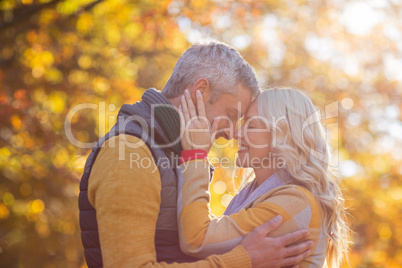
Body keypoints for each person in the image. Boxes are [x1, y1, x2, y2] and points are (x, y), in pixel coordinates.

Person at [78, 41, 314, 268]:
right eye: (231, 115)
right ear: (200, 91)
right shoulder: (130, 151)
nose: (232, 133)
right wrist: (244, 261)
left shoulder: (174, 155)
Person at [177, 88, 350, 267]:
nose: (237, 134)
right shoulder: (257, 194)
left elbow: (197, 237)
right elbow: (213, 234)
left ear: (282, 134)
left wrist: (195, 156)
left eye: (251, 125)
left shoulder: (295, 201)